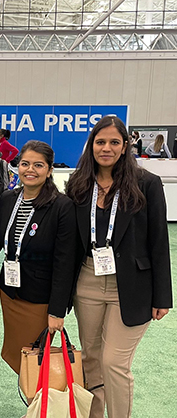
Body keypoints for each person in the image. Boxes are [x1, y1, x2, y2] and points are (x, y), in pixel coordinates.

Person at [66, 116, 173, 418]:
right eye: (101, 142)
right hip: (87, 281)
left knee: (114, 362)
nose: (107, 148)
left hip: (133, 285)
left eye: (114, 142)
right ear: (92, 145)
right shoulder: (79, 183)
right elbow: (71, 241)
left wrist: (162, 297)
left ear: (125, 146)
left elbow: (159, 241)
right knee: (91, 359)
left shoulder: (146, 183)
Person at [0, 140, 77, 374]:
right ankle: (34, 405)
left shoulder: (62, 206)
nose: (30, 170)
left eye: (38, 165)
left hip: (40, 300)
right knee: (21, 357)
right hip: (10, 292)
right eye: (25, 163)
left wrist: (57, 310)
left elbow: (65, 262)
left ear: (49, 170)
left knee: (37, 360)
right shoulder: (8, 200)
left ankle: (40, 407)